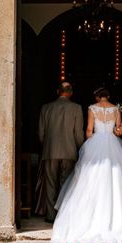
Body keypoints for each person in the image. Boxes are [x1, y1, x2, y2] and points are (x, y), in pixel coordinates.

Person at [50, 87, 122, 243]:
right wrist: (116, 132)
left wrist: (89, 143)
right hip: (113, 144)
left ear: (96, 97)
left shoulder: (92, 109)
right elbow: (118, 130)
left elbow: (88, 130)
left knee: (91, 180)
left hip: (96, 143)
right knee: (117, 178)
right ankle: (120, 217)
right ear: (107, 96)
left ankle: (92, 216)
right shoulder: (115, 108)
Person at [38, 81, 84, 223]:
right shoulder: (76, 108)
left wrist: (46, 146)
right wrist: (80, 148)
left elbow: (41, 132)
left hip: (50, 151)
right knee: (66, 184)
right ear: (70, 93)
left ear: (58, 91)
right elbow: (78, 133)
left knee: (51, 184)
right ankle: (63, 215)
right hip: (69, 151)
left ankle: (51, 215)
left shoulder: (46, 108)